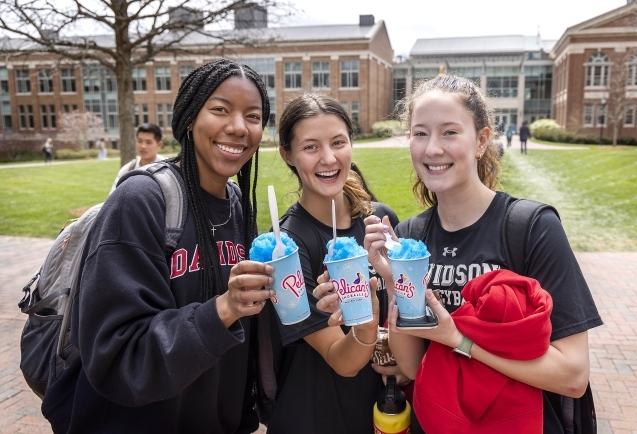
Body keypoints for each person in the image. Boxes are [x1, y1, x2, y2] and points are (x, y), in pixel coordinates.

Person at [41, 59, 275, 433]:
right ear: (188, 117)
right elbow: (118, 352)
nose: (238, 127)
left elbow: (240, 346)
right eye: (220, 109)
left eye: (253, 116)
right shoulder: (141, 200)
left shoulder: (238, 207)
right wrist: (222, 309)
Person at [360, 75, 602, 433]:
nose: (432, 149)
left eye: (450, 132)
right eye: (420, 133)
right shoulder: (411, 237)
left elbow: (573, 375)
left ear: (482, 141)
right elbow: (413, 368)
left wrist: (458, 341)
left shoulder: (530, 227)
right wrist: (395, 283)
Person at [263, 93, 404, 434]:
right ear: (288, 155)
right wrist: (366, 325)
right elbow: (342, 362)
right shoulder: (285, 247)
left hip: (383, 410)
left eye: (338, 142)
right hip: (318, 415)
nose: (328, 158)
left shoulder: (380, 220)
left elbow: (402, 312)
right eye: (311, 147)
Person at [109, 123, 165, 193]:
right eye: (139, 141)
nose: (143, 146)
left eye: (148, 142)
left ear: (159, 145)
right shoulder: (128, 170)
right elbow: (113, 197)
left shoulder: (166, 170)